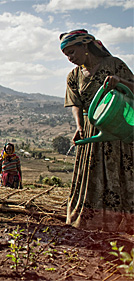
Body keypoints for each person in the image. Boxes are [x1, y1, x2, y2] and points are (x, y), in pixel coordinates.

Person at [60, 29, 134, 233]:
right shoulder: (74, 76)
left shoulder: (114, 64)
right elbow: (75, 103)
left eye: (72, 52)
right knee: (90, 174)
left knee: (117, 171)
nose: (70, 58)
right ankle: (90, 221)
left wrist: (120, 82)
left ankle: (122, 221)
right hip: (91, 129)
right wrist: (79, 126)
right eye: (66, 55)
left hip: (117, 127)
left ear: (85, 46)